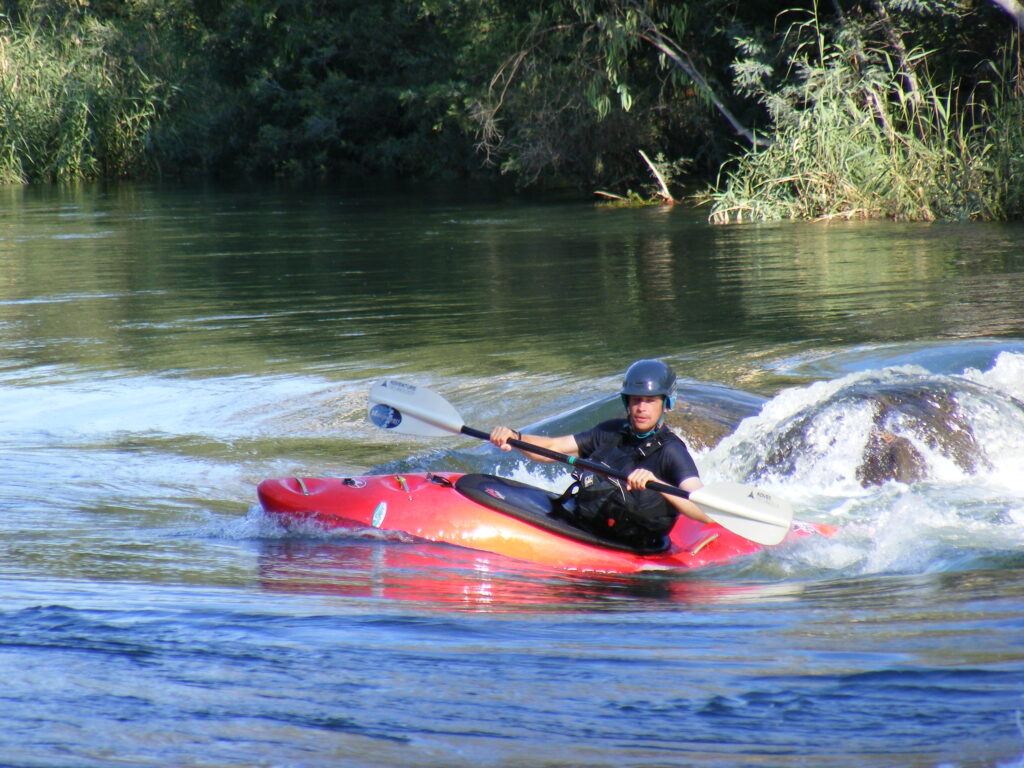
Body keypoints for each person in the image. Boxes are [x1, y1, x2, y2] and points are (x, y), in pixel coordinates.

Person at [489, 359, 708, 549]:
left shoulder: (672, 451)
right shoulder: (610, 432)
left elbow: (704, 511)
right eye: (635, 400)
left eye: (650, 401)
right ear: (627, 402)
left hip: (635, 544)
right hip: (588, 527)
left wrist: (657, 483)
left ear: (666, 404)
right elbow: (552, 448)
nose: (641, 408)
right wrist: (516, 438)